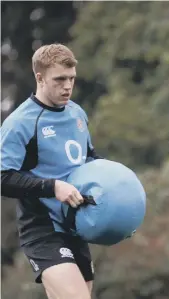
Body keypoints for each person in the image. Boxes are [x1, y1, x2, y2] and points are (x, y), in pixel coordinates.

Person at [1, 43, 101, 299]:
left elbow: (89, 160)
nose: (67, 86)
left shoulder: (77, 113)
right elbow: (3, 177)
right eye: (59, 79)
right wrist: (53, 187)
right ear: (40, 77)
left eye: (71, 79)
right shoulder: (20, 123)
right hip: (42, 228)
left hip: (76, 227)